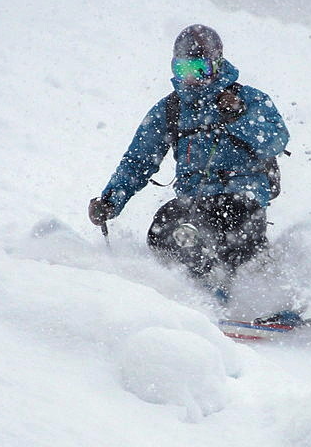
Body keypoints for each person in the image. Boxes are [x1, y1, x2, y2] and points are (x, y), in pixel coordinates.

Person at [88, 24, 289, 305]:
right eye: (183, 70)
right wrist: (111, 200)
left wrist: (238, 116)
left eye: (200, 69)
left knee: (239, 241)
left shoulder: (248, 99)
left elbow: (276, 139)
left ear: (217, 64)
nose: (192, 78)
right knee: (165, 229)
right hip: (194, 201)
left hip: (244, 197)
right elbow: (138, 160)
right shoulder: (171, 109)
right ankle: (204, 295)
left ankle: (277, 297)